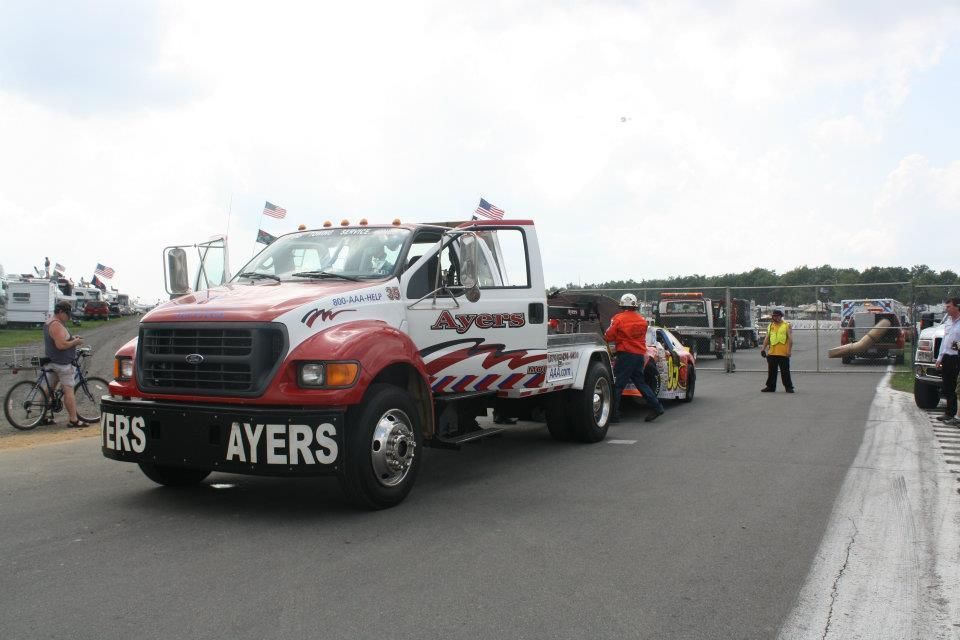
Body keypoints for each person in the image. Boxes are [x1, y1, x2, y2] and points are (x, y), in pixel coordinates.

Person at [604, 293, 665, 423]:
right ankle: (657, 407)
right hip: (639, 355)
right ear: (635, 306)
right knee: (640, 383)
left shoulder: (618, 318)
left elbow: (609, 336)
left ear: (622, 305)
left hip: (626, 355)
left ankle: (613, 415)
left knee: (618, 385)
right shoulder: (641, 320)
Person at [44, 301, 90, 428]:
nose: (69, 317)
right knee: (69, 391)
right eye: (67, 314)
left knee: (49, 389)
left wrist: (71, 337)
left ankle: (42, 416)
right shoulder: (56, 325)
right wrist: (75, 342)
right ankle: (73, 420)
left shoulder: (50, 322)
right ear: (60, 312)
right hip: (62, 364)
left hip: (53, 361)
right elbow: (60, 345)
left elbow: (59, 339)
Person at [935, 297, 960, 424]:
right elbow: (944, 341)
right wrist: (940, 358)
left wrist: (957, 345)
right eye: (946, 307)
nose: (947, 309)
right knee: (948, 386)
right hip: (947, 357)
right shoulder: (949, 322)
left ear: (957, 307)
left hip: (957, 357)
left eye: (949, 307)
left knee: (956, 387)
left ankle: (956, 414)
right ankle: (949, 413)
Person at [761, 308, 794, 393]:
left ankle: (788, 387)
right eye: (774, 316)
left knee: (785, 372)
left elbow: (790, 340)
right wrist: (763, 349)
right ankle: (770, 387)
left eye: (777, 316)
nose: (775, 318)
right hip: (772, 353)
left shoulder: (786, 325)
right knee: (771, 371)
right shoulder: (770, 325)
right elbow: (767, 338)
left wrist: (789, 351)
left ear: (781, 316)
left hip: (783, 353)